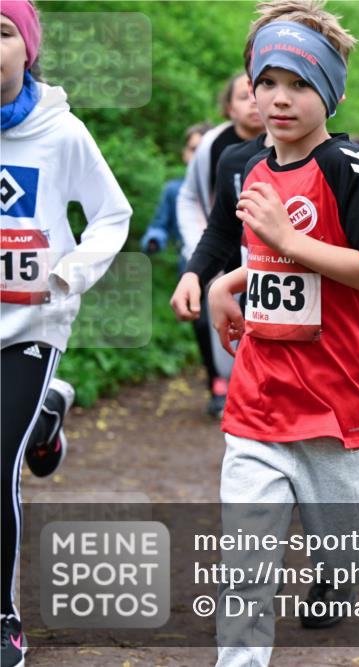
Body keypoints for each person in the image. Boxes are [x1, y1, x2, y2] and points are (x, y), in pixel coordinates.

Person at [206, 3, 359, 663]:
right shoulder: (247, 168)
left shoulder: (348, 168)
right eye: (267, 81)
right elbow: (267, 259)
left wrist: (290, 239)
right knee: (245, 560)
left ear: (329, 92)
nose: (279, 98)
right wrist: (233, 282)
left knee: (349, 551)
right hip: (257, 401)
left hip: (336, 405)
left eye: (299, 83)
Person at [1, 3, 131, 664]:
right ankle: (48, 417)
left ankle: (2, 615)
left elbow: (112, 214)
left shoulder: (62, 133)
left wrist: (68, 273)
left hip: (31, 322)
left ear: (27, 49)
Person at [177, 72, 266, 419]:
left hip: (264, 253)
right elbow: (193, 197)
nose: (254, 104)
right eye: (243, 98)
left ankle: (252, 388)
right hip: (220, 245)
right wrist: (195, 248)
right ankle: (221, 380)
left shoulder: (288, 144)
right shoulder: (215, 148)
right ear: (229, 107)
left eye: (255, 95)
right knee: (209, 315)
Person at [140, 122, 213, 262]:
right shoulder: (174, 191)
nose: (198, 156)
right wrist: (153, 240)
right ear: (184, 153)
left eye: (205, 149)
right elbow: (159, 226)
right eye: (193, 149)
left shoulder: (231, 185)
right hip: (189, 266)